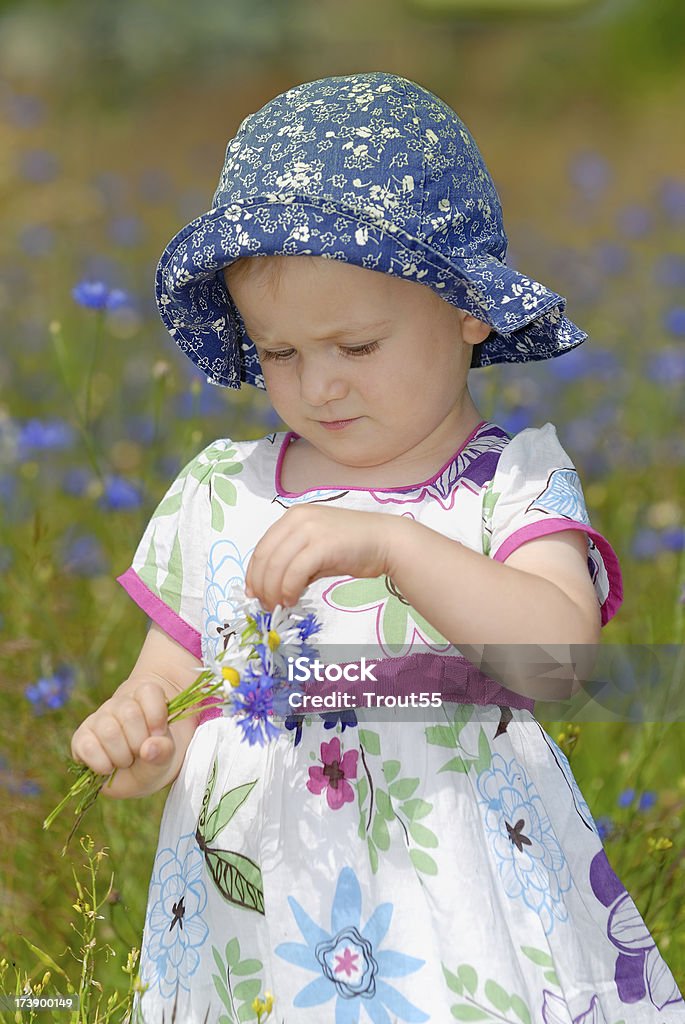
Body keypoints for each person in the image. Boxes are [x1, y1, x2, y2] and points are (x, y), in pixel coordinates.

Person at [71, 72, 684, 1022]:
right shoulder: (220, 491)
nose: (317, 386)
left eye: (355, 347)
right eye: (278, 353)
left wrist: (396, 546)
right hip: (255, 908)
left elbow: (560, 662)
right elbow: (170, 684)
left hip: (451, 903)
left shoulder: (507, 482)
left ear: (468, 309)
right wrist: (139, 735)